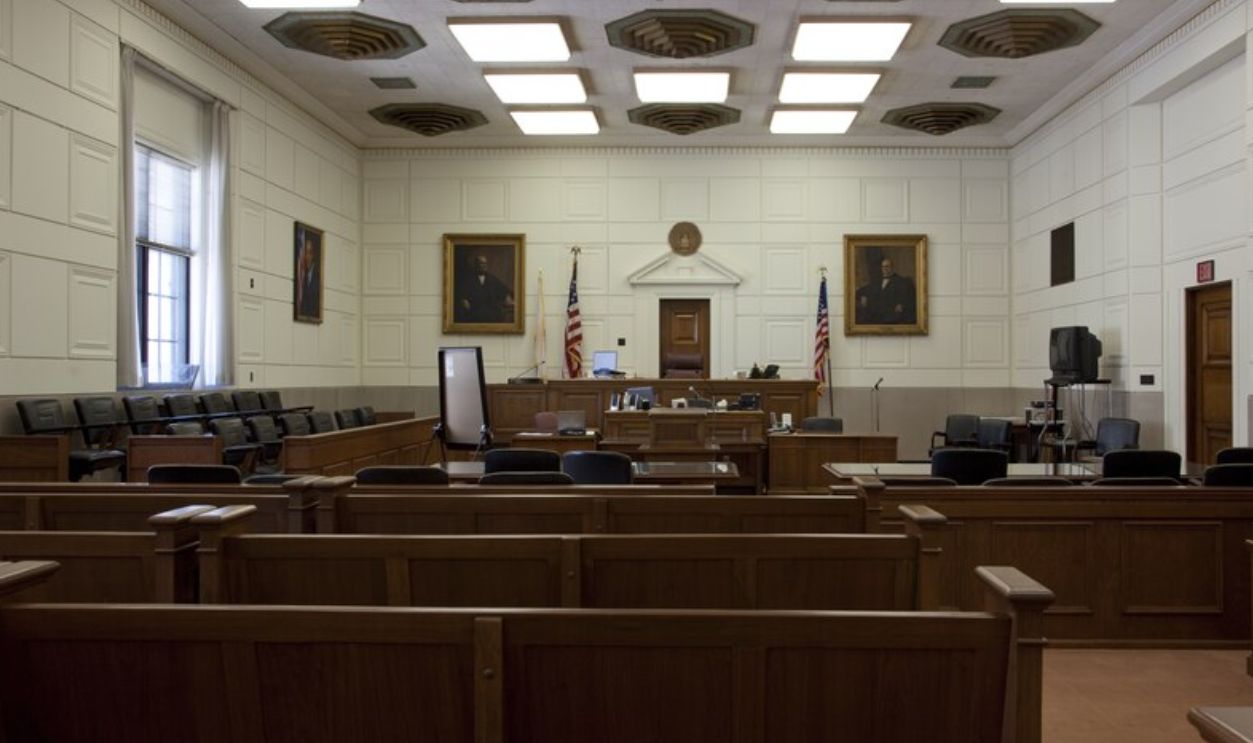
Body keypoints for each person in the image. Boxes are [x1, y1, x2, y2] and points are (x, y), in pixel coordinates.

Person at [455, 252, 514, 323]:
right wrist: (464, 301)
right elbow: (462, 294)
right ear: (476, 265)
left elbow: (503, 291)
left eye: (485, 263)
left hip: (491, 312)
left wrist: (508, 299)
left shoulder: (492, 279)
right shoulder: (468, 279)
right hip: (474, 312)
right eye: (481, 263)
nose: (484, 265)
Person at [856, 257, 916, 325]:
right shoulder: (877, 281)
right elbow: (865, 289)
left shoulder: (900, 281)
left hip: (892, 315)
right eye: (883, 266)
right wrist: (863, 295)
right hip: (876, 314)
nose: (884, 268)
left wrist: (901, 304)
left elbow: (907, 297)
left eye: (887, 266)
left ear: (892, 267)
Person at [295, 235, 320, 320]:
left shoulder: (319, 276)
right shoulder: (300, 276)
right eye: (305, 253)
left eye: (309, 253)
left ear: (313, 255)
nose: (306, 257)